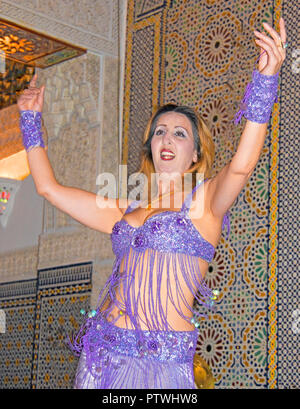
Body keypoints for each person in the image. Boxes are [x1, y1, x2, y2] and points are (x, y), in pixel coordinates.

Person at [17, 18, 287, 389]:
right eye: (159, 131)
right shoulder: (126, 211)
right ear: (150, 147)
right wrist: (30, 119)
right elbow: (48, 188)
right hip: (101, 355)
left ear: (195, 154)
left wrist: (266, 78)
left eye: (180, 134)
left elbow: (241, 166)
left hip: (158, 367)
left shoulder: (204, 203)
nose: (167, 138)